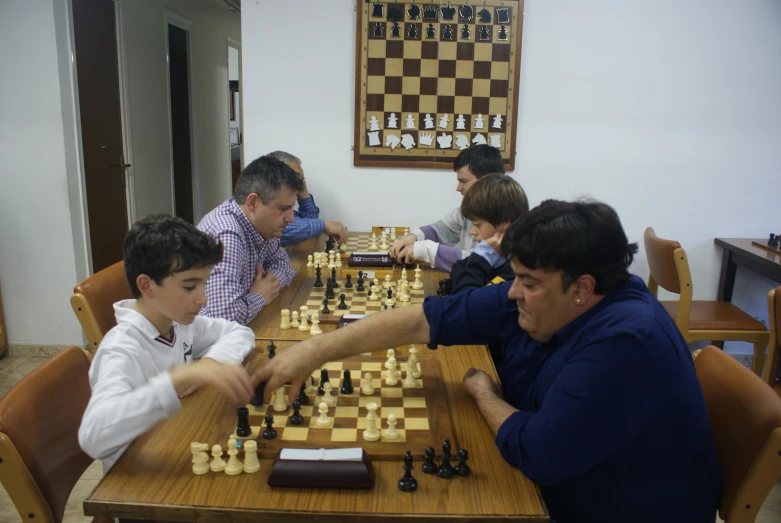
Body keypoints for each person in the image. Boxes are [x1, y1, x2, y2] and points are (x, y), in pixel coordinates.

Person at [253, 200, 720, 523]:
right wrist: (309, 353)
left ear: (582, 287)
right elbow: (421, 320)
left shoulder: (625, 343)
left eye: (528, 282)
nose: (512, 292)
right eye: (514, 276)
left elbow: (537, 451)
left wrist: (482, 393)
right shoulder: (541, 295)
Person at [79, 215, 255, 473]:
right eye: (189, 287)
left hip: (178, 445)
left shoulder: (179, 324)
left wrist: (209, 362)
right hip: (138, 489)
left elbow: (240, 332)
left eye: (204, 283)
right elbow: (92, 438)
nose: (203, 299)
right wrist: (174, 382)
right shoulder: (121, 349)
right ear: (147, 286)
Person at [197, 155, 303, 324]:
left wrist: (266, 287)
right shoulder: (226, 236)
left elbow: (284, 265)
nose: (291, 219)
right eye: (284, 209)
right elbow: (223, 319)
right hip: (204, 343)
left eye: (291, 208)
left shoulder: (263, 225)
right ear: (253, 202)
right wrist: (259, 296)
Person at [389, 144, 505, 271]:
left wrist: (424, 249)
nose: (458, 188)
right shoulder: (467, 210)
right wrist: (413, 237)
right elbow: (440, 230)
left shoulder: (503, 218)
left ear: (485, 180)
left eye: (463, 181)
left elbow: (477, 261)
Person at [449, 173, 529, 295]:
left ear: (504, 223)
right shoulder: (496, 258)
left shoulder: (515, 274)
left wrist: (481, 258)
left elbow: (464, 303)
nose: (471, 231)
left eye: (477, 224)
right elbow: (458, 268)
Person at [268, 151, 349, 247]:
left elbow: (309, 224)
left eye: (301, 179)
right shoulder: (263, 203)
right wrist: (324, 225)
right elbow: (279, 230)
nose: (300, 183)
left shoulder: (284, 206)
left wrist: (304, 195)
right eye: (295, 177)